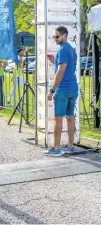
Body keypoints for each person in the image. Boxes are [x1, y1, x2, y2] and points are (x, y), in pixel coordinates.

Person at [44, 26, 78, 156]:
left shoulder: (63, 50)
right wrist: (54, 60)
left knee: (58, 119)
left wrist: (52, 90)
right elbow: (66, 67)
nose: (55, 39)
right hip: (73, 89)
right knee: (70, 117)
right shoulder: (71, 49)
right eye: (54, 37)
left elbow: (61, 71)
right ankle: (70, 146)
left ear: (64, 35)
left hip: (62, 90)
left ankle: (56, 148)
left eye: (57, 36)